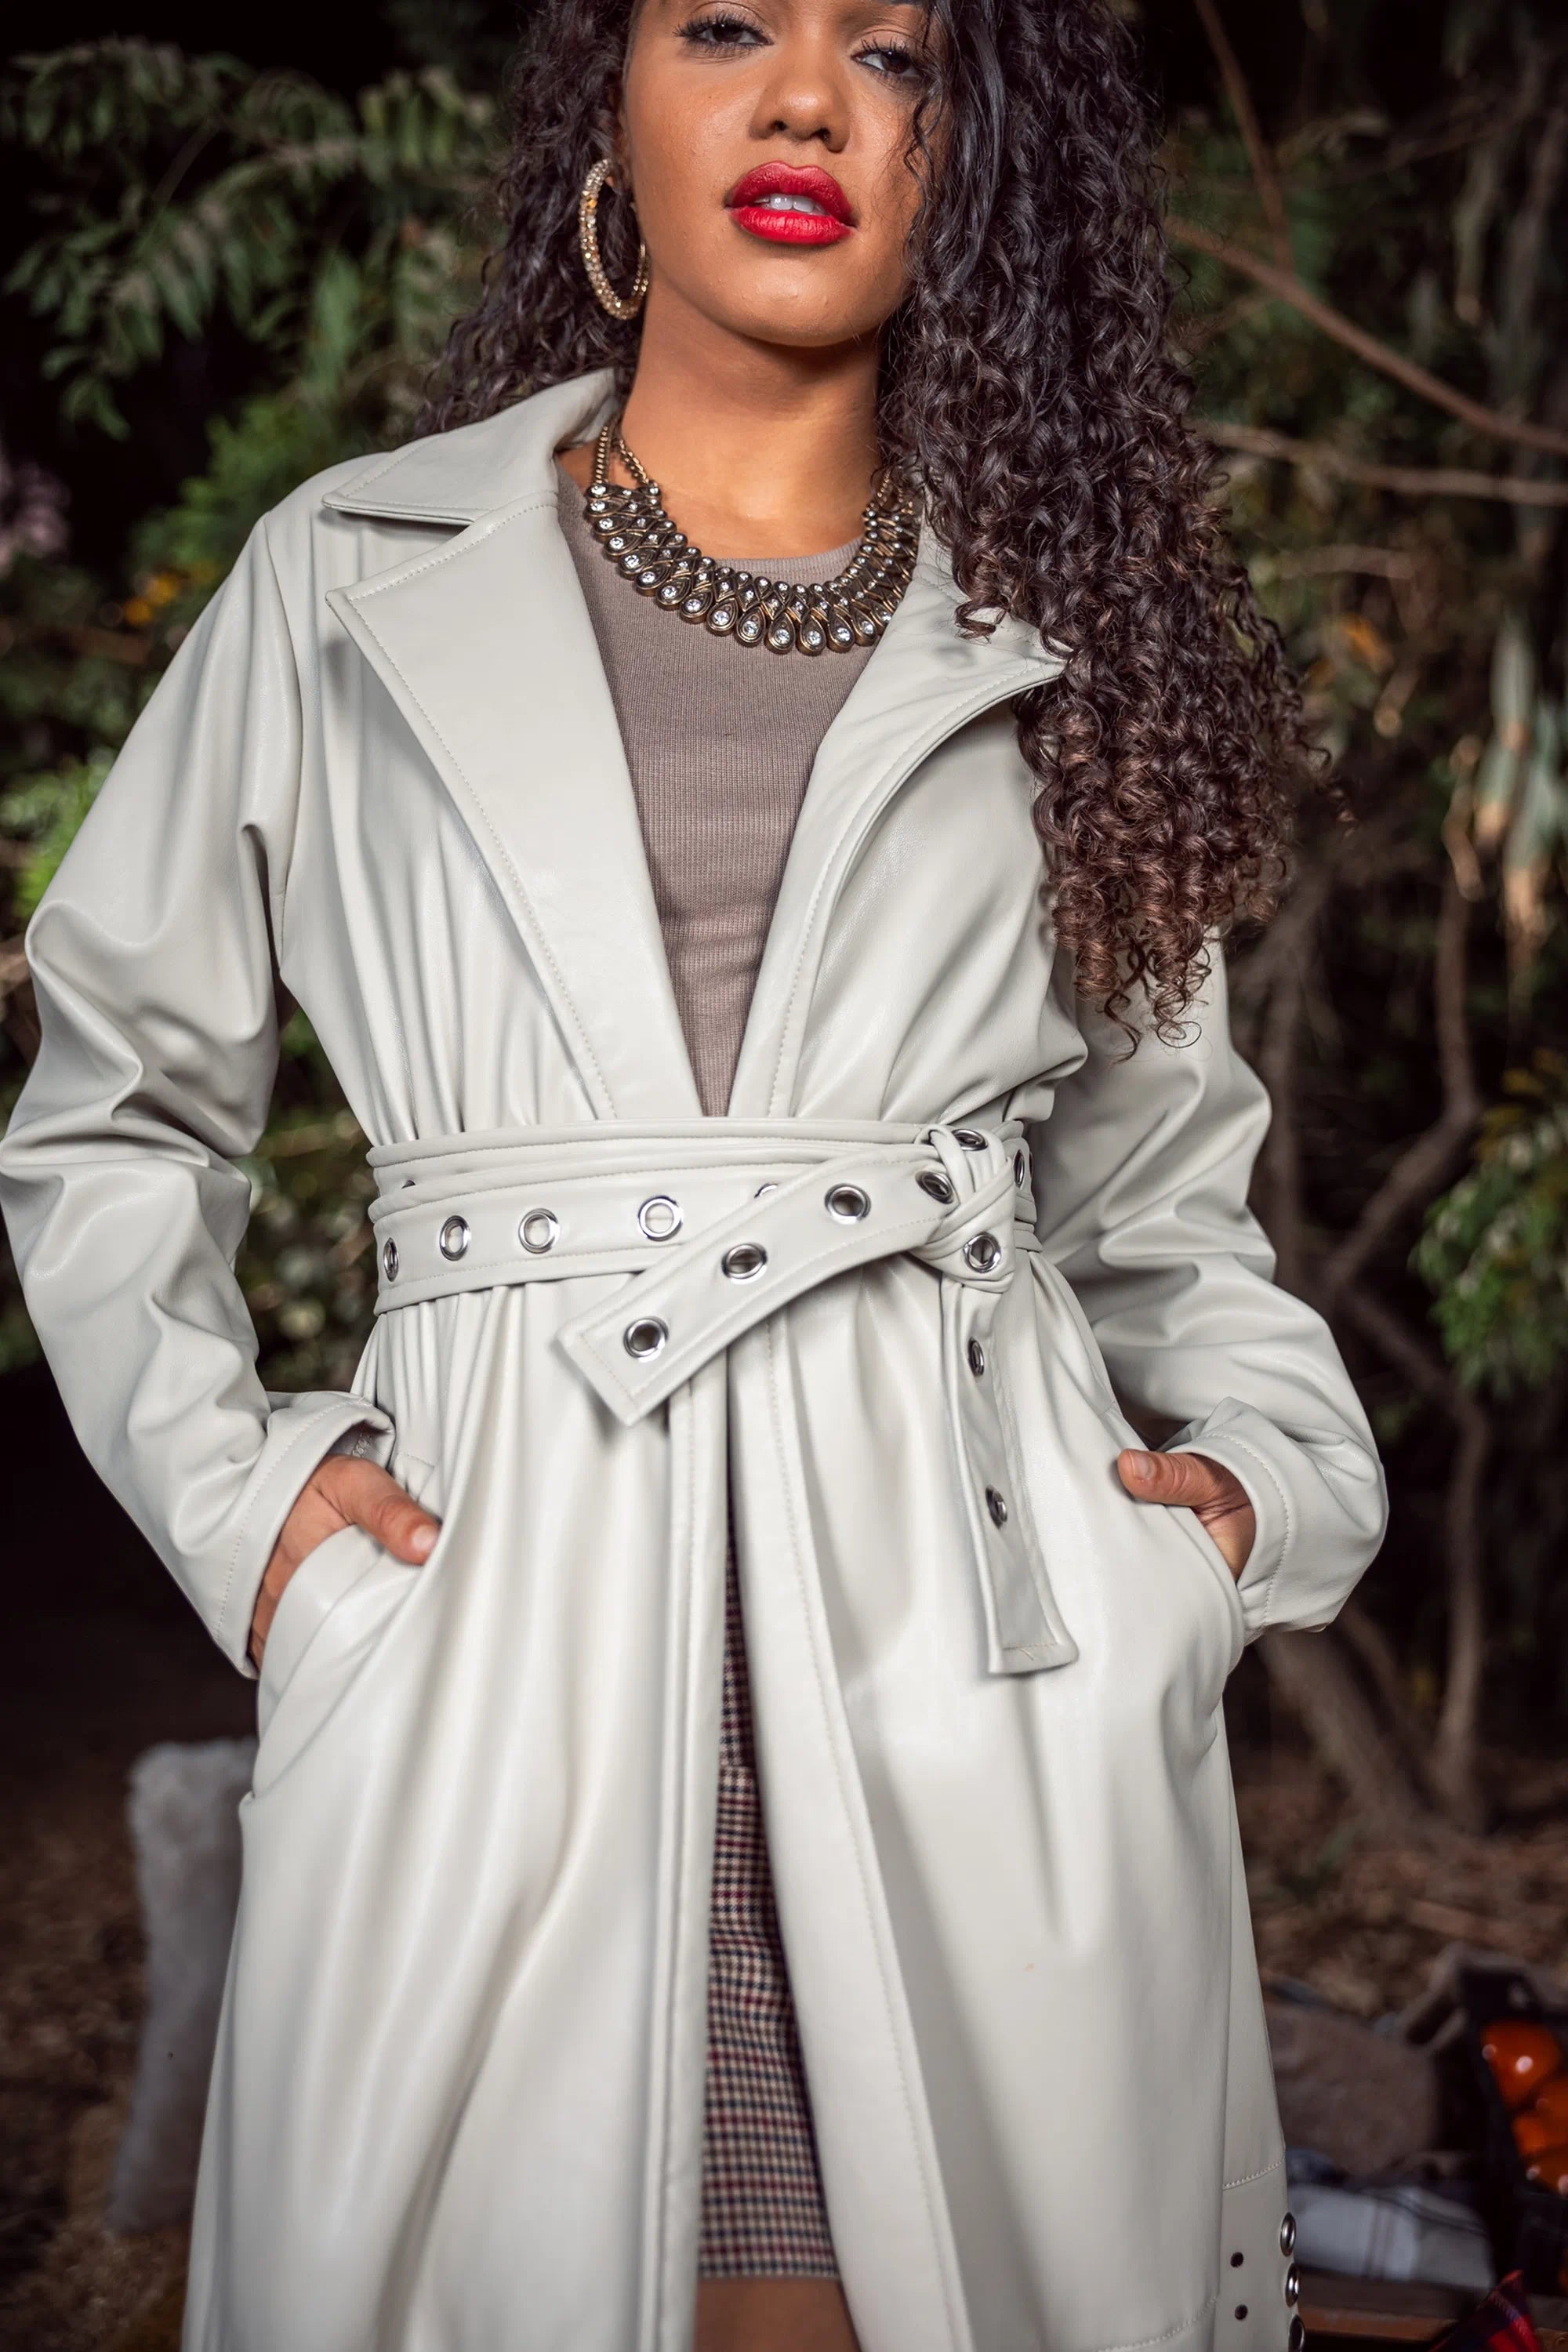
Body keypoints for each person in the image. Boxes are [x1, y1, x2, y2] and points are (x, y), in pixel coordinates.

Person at [0, 2, 1389, 2347]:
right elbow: (116, 1096)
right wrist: (245, 1522)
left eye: (899, 51)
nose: (807, 100)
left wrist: (1253, 1496)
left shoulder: (1078, 629)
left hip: (972, 1638)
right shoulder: (348, 577)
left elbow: (1163, 1202)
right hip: (500, 1609)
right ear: (606, 105)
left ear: (979, 147)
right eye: (725, 23)